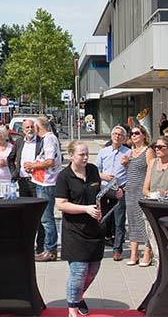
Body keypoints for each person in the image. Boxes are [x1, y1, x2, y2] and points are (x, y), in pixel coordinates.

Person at [56, 141, 107, 317]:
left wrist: (114, 193)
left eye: (87, 154)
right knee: (79, 271)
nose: (85, 157)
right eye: (81, 154)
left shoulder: (92, 170)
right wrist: (85, 209)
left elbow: (98, 192)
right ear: (71, 155)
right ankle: (72, 309)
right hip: (74, 231)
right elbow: (60, 205)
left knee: (92, 271)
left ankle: (78, 296)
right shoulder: (64, 176)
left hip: (94, 229)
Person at [142, 135, 168, 265]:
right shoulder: (152, 163)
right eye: (156, 147)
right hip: (152, 206)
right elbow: (145, 188)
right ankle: (158, 265)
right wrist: (152, 194)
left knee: (167, 242)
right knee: (154, 241)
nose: (157, 149)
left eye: (161, 147)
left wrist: (166, 194)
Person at [96, 125, 130, 261]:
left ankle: (118, 250)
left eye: (120, 135)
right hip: (104, 188)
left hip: (119, 189)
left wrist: (125, 187)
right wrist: (103, 176)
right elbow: (95, 170)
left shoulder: (128, 153)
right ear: (111, 135)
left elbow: (131, 172)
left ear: (124, 138)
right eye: (115, 134)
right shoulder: (103, 152)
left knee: (119, 220)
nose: (117, 136)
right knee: (102, 219)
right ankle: (100, 246)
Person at [123, 124, 154, 266]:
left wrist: (146, 188)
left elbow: (151, 170)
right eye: (132, 134)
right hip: (130, 190)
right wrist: (125, 164)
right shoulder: (130, 151)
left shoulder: (148, 151)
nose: (134, 136)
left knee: (143, 220)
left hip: (142, 189)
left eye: (136, 133)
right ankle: (134, 253)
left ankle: (148, 251)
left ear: (143, 135)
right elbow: (130, 170)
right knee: (132, 220)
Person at [13, 118, 46, 254]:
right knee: (25, 214)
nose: (30, 130)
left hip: (37, 182)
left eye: (32, 127)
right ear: (23, 129)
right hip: (23, 182)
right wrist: (14, 172)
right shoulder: (19, 142)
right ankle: (26, 245)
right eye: (27, 127)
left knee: (39, 215)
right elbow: (11, 158)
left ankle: (40, 247)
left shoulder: (41, 142)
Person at [32, 116, 62, 262]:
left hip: (46, 183)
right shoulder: (49, 138)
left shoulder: (49, 139)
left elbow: (49, 161)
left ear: (38, 127)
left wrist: (33, 166)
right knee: (46, 217)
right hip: (43, 181)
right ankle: (48, 248)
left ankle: (50, 249)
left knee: (46, 218)